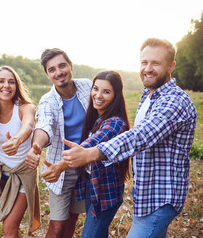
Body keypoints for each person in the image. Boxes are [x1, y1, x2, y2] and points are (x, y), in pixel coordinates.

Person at [63, 38, 197, 237]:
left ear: (171, 66)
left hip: (160, 198)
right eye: (144, 62)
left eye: (156, 63)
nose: (148, 69)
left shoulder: (174, 101)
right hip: (145, 194)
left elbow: (140, 136)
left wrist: (92, 153)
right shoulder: (150, 95)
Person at [42, 71, 131, 237]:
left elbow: (91, 145)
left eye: (106, 91)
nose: (98, 95)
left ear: (116, 95)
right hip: (93, 186)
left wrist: (61, 165)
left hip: (106, 192)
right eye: (95, 89)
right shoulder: (98, 118)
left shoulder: (115, 123)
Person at [25, 48, 92, 238]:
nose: (59, 72)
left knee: (72, 218)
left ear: (70, 66)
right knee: (57, 225)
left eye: (62, 66)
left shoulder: (87, 86)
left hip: (88, 163)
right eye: (52, 69)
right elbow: (44, 125)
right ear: (47, 75)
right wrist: (36, 147)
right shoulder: (47, 101)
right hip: (61, 169)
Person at [0, 66, 40, 237]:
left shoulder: (25, 107)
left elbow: (28, 125)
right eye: (1, 81)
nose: (6, 86)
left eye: (11, 82)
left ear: (17, 86)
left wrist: (18, 140)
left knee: (9, 228)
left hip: (22, 174)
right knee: (8, 221)